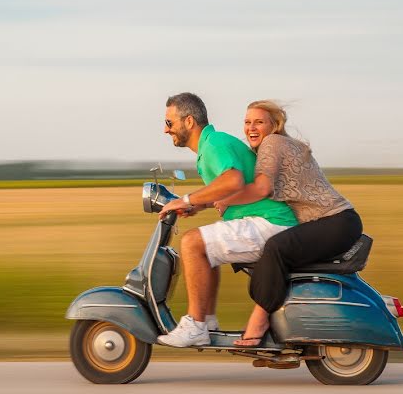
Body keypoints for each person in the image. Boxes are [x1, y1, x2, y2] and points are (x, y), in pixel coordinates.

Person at [214, 100, 363, 347]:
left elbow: (262, 188)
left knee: (275, 247)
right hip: (338, 222)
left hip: (335, 221)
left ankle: (259, 321)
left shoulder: (273, 143)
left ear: (274, 125)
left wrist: (226, 200)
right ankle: (279, 328)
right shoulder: (279, 146)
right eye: (247, 122)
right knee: (270, 250)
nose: (251, 127)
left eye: (259, 122)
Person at [155, 93, 297, 347]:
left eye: (169, 123)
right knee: (205, 248)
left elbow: (233, 180)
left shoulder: (213, 145)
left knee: (191, 243)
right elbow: (231, 191)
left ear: (189, 121)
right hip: (267, 220)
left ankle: (196, 325)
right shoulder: (212, 145)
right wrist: (200, 204)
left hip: (269, 222)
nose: (166, 130)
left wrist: (187, 199)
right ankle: (206, 321)